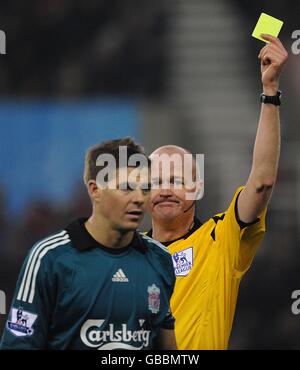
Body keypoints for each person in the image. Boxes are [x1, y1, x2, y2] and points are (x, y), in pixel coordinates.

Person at [146, 34, 288, 350]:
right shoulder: (126, 255)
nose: (165, 189)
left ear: (197, 188)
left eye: (177, 179)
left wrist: (270, 92)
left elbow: (262, 181)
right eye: (156, 181)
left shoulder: (221, 238)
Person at [0, 138, 177, 350]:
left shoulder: (160, 258)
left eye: (146, 188)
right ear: (95, 190)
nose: (139, 198)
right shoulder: (49, 258)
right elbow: (19, 343)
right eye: (126, 188)